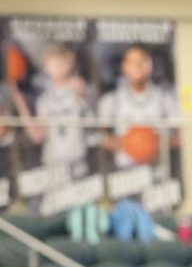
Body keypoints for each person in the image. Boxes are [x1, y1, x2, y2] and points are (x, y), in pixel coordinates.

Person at [10, 43, 91, 174]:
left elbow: (89, 112)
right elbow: (37, 136)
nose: (57, 68)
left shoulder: (78, 88)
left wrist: (80, 92)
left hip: (78, 161)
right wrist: (20, 103)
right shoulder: (44, 101)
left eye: (61, 62)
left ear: (70, 63)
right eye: (52, 63)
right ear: (46, 67)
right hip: (54, 165)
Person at [98, 45, 180, 169]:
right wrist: (126, 143)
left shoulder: (165, 99)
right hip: (124, 174)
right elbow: (98, 137)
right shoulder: (110, 101)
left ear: (150, 65)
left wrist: (156, 142)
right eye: (131, 61)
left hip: (158, 173)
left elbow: (182, 137)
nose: (137, 65)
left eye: (142, 60)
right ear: (123, 66)